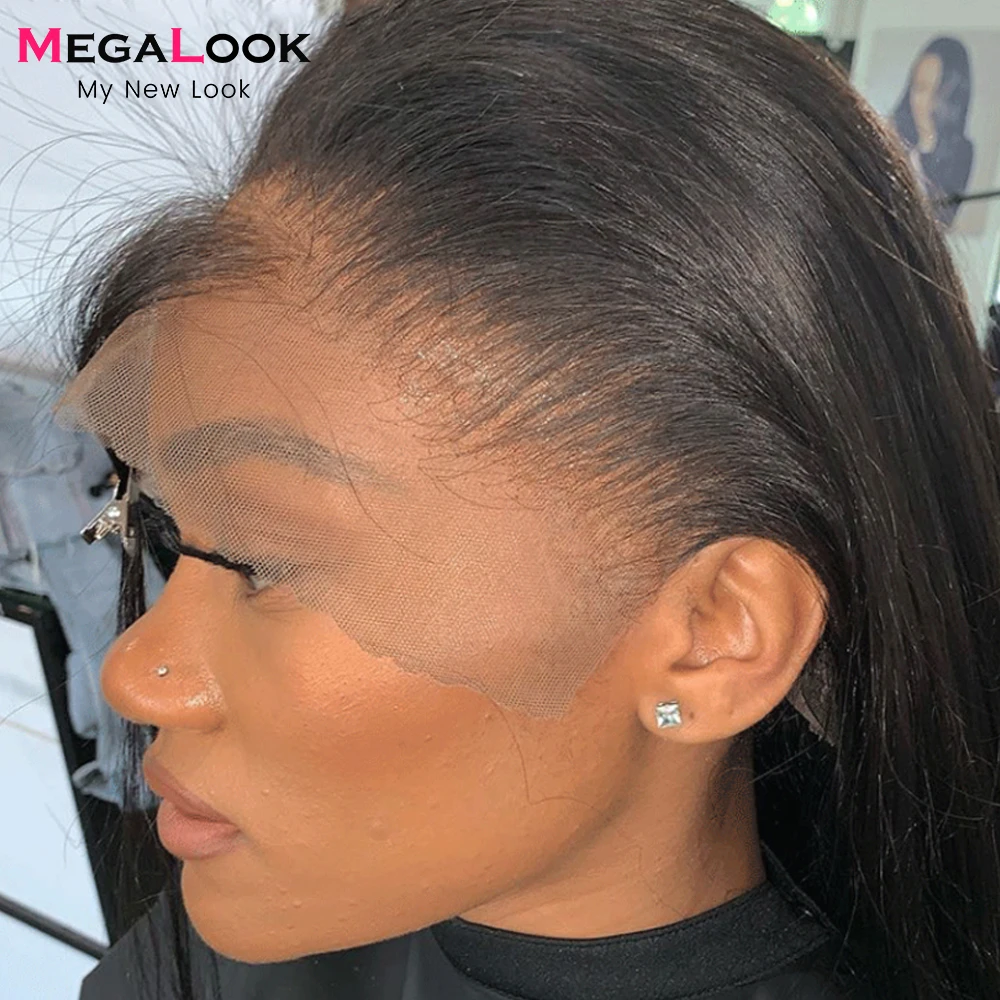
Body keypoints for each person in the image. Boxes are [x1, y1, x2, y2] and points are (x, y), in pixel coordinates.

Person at [60, 1, 1000, 997]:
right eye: (168, 530)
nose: (137, 676)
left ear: (714, 636)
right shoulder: (194, 958)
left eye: (264, 562)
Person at [891, 36, 975, 228]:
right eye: (919, 88)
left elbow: (943, 221)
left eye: (937, 92)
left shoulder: (962, 151)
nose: (925, 102)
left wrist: (926, 145)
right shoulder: (893, 136)